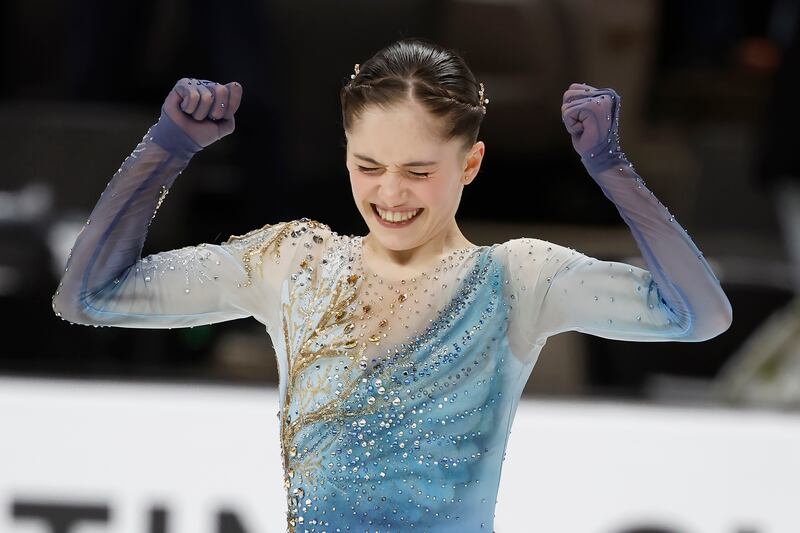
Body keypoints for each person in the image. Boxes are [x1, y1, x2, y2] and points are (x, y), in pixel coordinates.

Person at [51, 38, 732, 532]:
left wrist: (612, 168)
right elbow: (86, 297)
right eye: (368, 166)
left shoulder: (520, 276)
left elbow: (699, 314)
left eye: (417, 169)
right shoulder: (295, 261)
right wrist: (165, 149)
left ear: (471, 162)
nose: (391, 193)